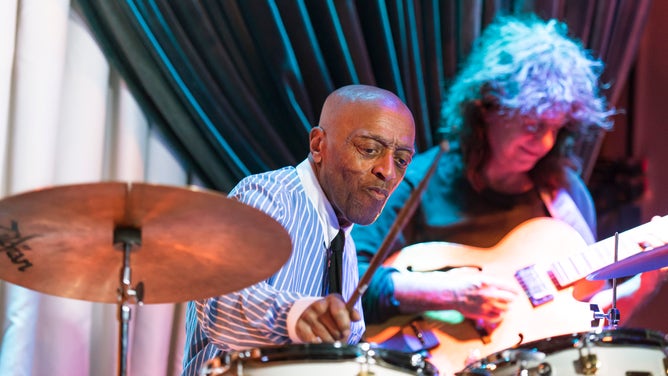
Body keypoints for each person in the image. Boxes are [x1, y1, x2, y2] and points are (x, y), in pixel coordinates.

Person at [351, 13, 663, 373]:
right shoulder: (417, 181)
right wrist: (447, 293)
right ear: (488, 108)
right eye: (533, 125)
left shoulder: (565, 198)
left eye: (557, 128)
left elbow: (583, 325)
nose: (545, 142)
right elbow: (347, 284)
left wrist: (648, 278)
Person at [181, 84, 416, 375]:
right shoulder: (268, 197)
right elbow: (219, 300)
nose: (388, 171)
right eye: (369, 149)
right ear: (318, 145)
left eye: (402, 160)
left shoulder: (345, 246)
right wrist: (295, 316)